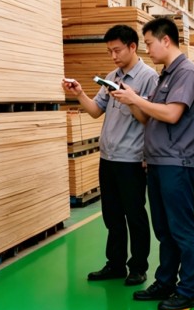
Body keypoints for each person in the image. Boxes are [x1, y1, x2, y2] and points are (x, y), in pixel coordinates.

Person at [113, 16, 194, 310]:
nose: (148, 50)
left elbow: (171, 114)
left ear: (166, 40)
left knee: (182, 229)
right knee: (164, 230)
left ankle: (188, 290)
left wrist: (137, 99)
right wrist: (131, 101)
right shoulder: (165, 75)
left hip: (177, 163)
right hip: (158, 162)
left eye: (150, 43)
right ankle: (165, 281)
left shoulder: (187, 73)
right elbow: (149, 117)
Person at [62, 24, 158, 286]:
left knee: (134, 215)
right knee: (112, 215)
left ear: (132, 47)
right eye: (109, 51)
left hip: (132, 159)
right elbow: (95, 111)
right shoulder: (111, 76)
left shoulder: (148, 77)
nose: (113, 56)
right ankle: (115, 264)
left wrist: (131, 99)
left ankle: (138, 267)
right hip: (108, 158)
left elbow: (149, 119)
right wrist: (79, 93)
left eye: (117, 50)